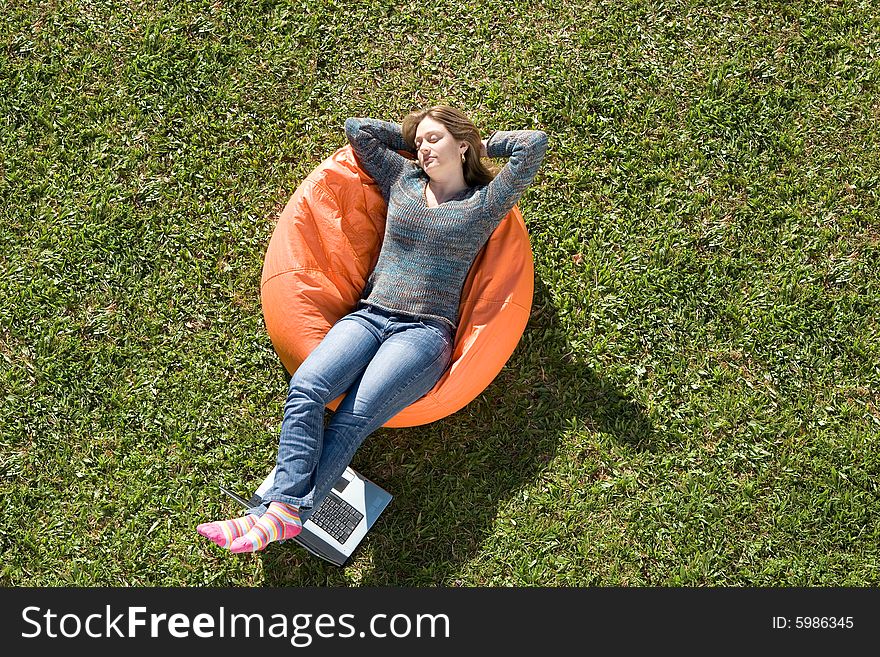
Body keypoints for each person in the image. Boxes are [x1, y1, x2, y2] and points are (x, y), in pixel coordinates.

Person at [197, 105, 548, 553]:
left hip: (422, 334)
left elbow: (532, 145)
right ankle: (281, 513)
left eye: (434, 139)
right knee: (306, 388)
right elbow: (359, 131)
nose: (422, 148)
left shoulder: (483, 204)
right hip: (368, 315)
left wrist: (480, 143)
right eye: (418, 141)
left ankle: (267, 514)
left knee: (350, 422)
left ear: (462, 145)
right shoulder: (403, 179)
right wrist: (411, 139)